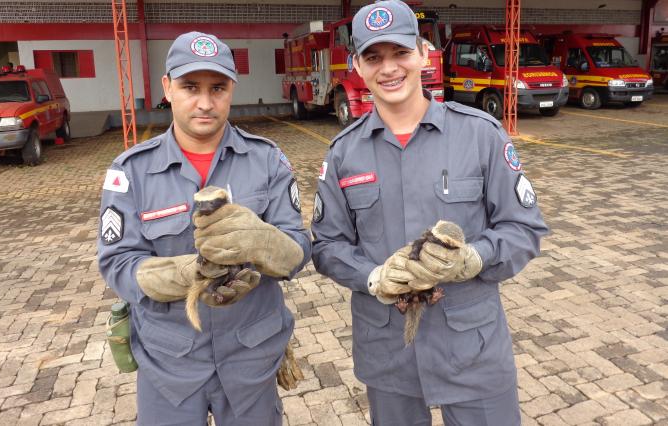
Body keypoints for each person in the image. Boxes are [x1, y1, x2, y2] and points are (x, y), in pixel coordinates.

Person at [311, 1, 549, 425]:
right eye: (373, 57)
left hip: (471, 349)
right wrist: (372, 277)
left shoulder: (479, 135)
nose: (389, 68)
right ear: (356, 66)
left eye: (400, 53)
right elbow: (327, 245)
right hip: (389, 349)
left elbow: (523, 227)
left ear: (424, 54)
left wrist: (474, 257)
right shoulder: (343, 153)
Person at [98, 32, 311, 425]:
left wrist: (262, 242)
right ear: (167, 87)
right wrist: (182, 275)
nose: (205, 102)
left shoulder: (268, 160)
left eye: (218, 88)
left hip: (253, 356)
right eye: (190, 87)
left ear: (231, 88)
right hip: (170, 363)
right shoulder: (131, 171)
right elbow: (117, 262)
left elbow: (297, 252)